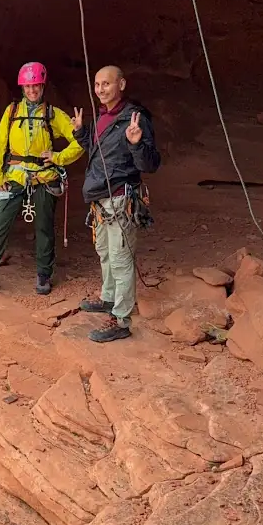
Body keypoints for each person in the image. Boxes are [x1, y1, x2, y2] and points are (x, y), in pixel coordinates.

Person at [0, 62, 83, 297]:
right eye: (28, 86)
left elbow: (80, 141)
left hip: (43, 176)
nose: (32, 90)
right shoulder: (11, 112)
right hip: (15, 176)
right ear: (22, 88)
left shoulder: (52, 114)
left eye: (36, 86)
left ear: (43, 86)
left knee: (44, 227)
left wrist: (58, 157)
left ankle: (43, 274)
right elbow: (0, 144)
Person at [74, 65, 161, 342]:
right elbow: (100, 154)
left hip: (121, 199)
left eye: (106, 84)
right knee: (105, 252)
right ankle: (109, 298)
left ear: (121, 85)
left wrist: (136, 143)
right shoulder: (102, 116)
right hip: (101, 199)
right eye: (97, 84)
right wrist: (81, 134)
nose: (100, 89)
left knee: (121, 259)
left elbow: (149, 164)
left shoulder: (134, 119)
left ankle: (121, 320)